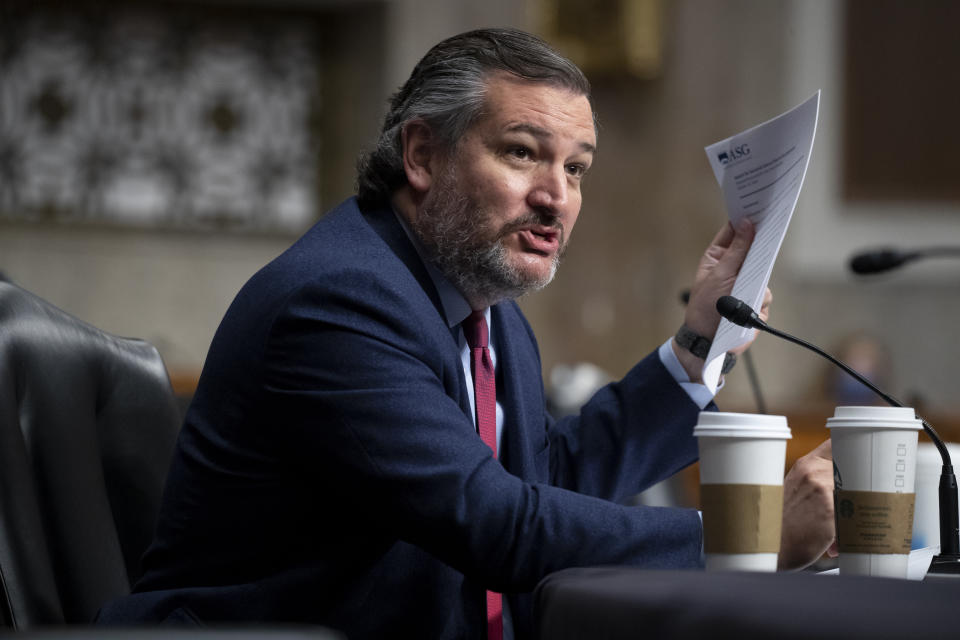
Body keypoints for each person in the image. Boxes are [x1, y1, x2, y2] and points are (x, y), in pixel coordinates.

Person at [97, 28, 835, 639]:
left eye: (577, 170)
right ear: (421, 155)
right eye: (522, 152)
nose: (557, 198)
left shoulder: (487, 314)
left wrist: (700, 342)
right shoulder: (340, 303)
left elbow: (542, 482)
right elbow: (497, 524)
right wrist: (752, 540)